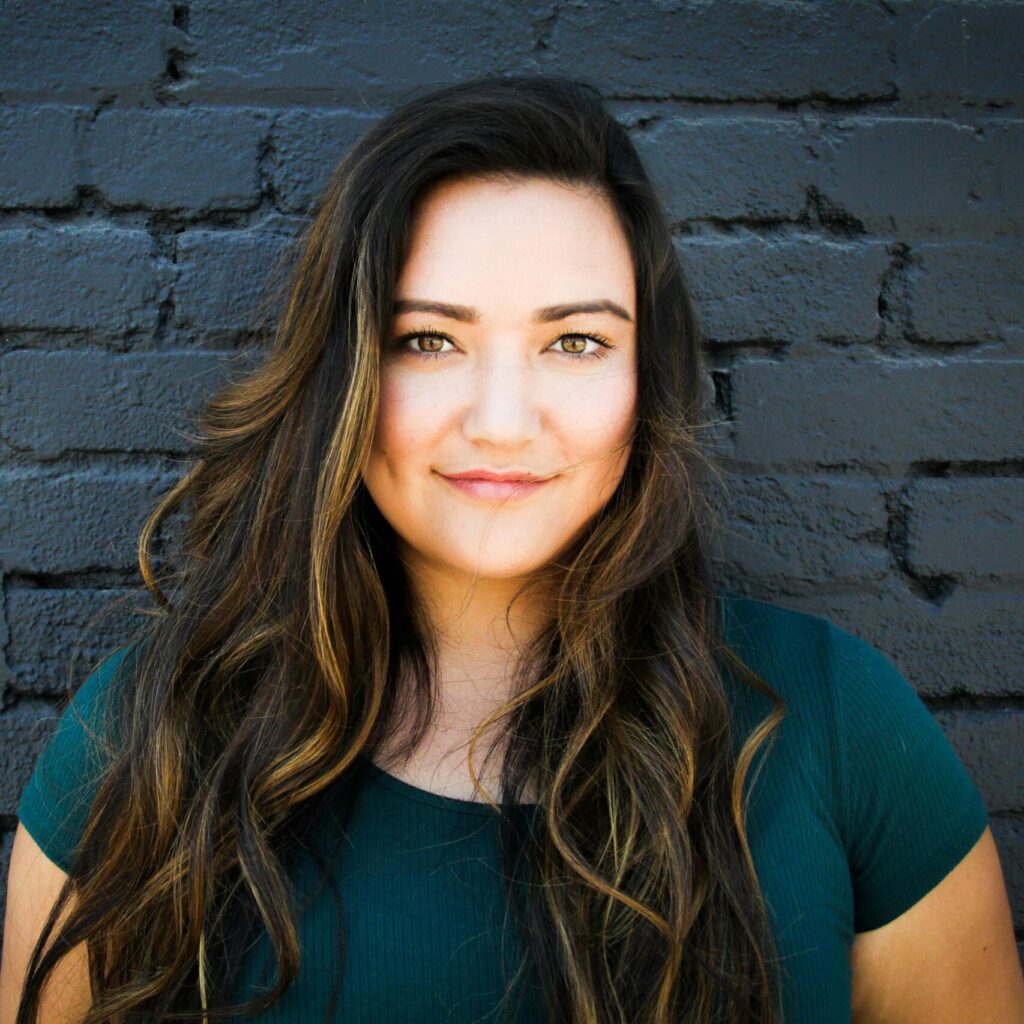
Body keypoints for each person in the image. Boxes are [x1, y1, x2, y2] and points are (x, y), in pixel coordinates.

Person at [1, 74, 1021, 1024]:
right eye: (427, 340)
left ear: (644, 383)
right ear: (343, 375)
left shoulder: (839, 727)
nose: (499, 420)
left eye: (574, 341)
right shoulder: (149, 741)